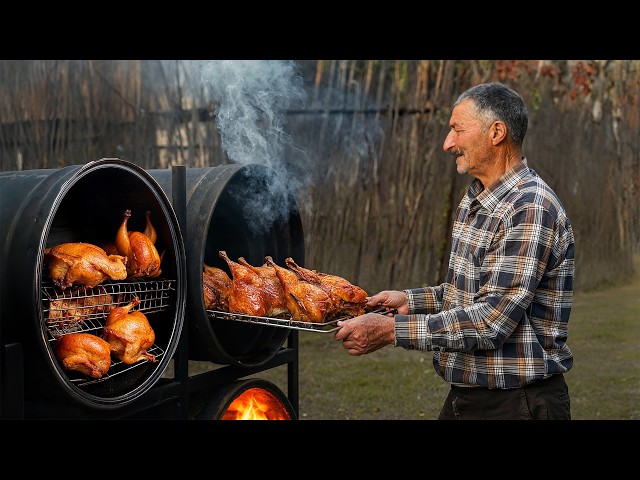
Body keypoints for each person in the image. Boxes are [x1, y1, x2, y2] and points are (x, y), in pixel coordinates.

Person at [334, 82, 575, 420]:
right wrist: (409, 300)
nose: (448, 143)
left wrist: (391, 331)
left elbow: (492, 320)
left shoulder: (529, 208)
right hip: (468, 399)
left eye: (456, 130)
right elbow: (467, 293)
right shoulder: (476, 199)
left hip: (518, 403)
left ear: (496, 132)